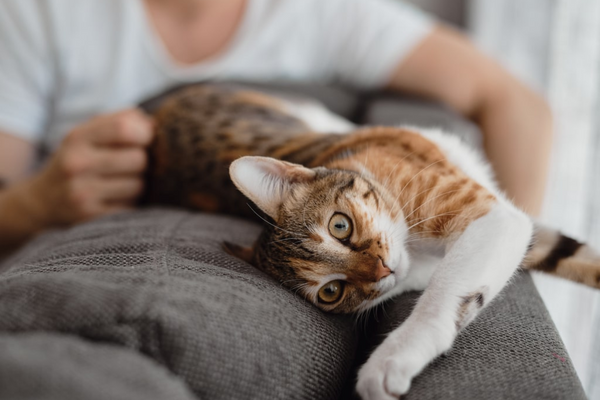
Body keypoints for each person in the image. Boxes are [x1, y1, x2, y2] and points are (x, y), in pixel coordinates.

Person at [0, 0, 552, 257]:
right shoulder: (36, 15)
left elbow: (514, 102)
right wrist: (34, 205)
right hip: (81, 252)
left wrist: (508, 257)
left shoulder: (318, 14)